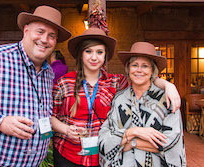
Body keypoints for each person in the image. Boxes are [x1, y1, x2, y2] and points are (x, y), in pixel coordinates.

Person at [0, 5, 71, 167]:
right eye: (40, 31)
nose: (45, 39)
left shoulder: (48, 73)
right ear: (26, 31)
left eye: (52, 36)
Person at [51, 28, 181, 167]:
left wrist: (168, 85)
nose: (94, 57)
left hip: (103, 156)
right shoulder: (64, 82)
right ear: (81, 54)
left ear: (105, 56)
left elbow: (141, 77)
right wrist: (65, 129)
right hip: (67, 153)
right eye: (88, 51)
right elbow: (51, 116)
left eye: (99, 52)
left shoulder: (117, 82)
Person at [98, 42, 186, 167]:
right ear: (128, 69)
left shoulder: (167, 99)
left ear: (153, 71)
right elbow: (106, 138)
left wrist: (131, 142)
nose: (139, 70)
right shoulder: (119, 99)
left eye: (145, 66)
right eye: (134, 65)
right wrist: (135, 131)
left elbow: (171, 142)